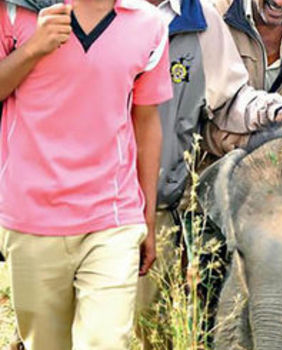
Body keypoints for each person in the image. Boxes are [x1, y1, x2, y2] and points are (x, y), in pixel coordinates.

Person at [134, 0, 282, 348]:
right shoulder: (91, 9)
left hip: (154, 207)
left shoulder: (198, 17)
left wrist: (273, 112)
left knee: (147, 331)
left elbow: (230, 97)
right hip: (80, 198)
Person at [0, 0, 173, 348]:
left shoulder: (150, 23)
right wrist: (34, 48)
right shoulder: (17, 10)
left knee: (106, 341)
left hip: (113, 217)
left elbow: (146, 121)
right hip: (32, 217)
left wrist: (148, 217)